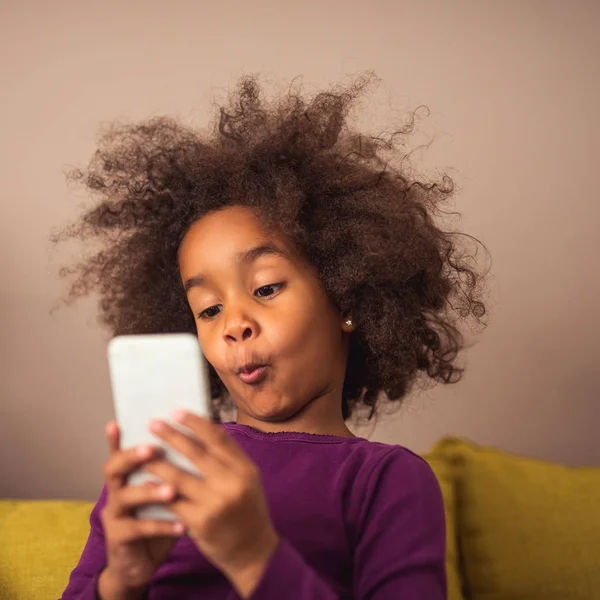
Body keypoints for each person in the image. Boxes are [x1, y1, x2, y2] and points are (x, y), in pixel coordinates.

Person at [54, 71, 488, 599]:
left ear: (347, 297)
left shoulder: (386, 481)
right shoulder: (163, 469)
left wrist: (254, 555)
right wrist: (121, 581)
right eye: (209, 309)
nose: (234, 324)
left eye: (264, 289)